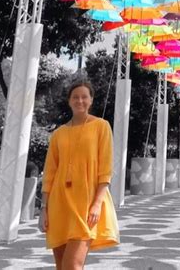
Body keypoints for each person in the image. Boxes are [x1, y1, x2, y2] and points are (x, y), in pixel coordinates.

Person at [39, 80, 119, 269]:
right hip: (59, 205)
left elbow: (105, 169)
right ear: (69, 101)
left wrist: (97, 204)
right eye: (75, 97)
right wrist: (44, 208)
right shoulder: (58, 133)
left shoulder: (101, 126)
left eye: (84, 96)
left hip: (86, 203)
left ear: (91, 100)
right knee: (61, 266)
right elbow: (50, 172)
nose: (80, 100)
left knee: (72, 265)